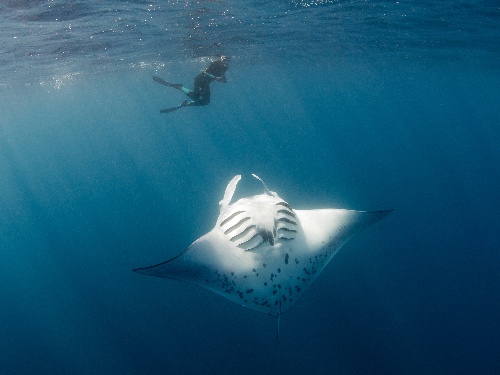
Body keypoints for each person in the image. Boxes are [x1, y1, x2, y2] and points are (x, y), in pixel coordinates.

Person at [153, 56, 230, 113]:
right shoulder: (214, 63)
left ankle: (186, 103)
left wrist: (223, 80)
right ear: (221, 58)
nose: (226, 61)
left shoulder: (225, 67)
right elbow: (205, 73)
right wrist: (214, 78)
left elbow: (221, 75)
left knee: (206, 102)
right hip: (200, 80)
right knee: (196, 97)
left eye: (228, 60)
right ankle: (180, 87)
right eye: (225, 59)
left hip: (206, 84)